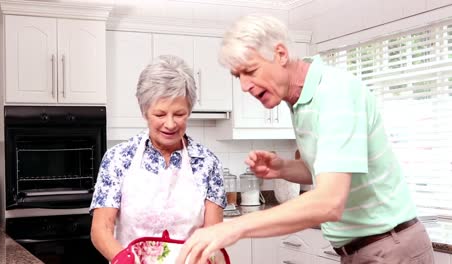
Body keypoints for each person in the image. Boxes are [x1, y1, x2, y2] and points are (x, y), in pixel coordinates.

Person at [176, 15, 434, 264]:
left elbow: (329, 202)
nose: (244, 86)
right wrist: (284, 168)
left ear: (280, 54)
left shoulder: (335, 94)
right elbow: (330, 170)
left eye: (250, 71)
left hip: (391, 248)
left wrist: (233, 228)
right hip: (365, 249)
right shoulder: (300, 102)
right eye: (238, 76)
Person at [90, 55, 226, 262]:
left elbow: (214, 235)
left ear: (189, 111)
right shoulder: (118, 158)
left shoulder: (208, 163)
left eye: (179, 114)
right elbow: (101, 229)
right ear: (145, 112)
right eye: (160, 114)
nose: (170, 124)